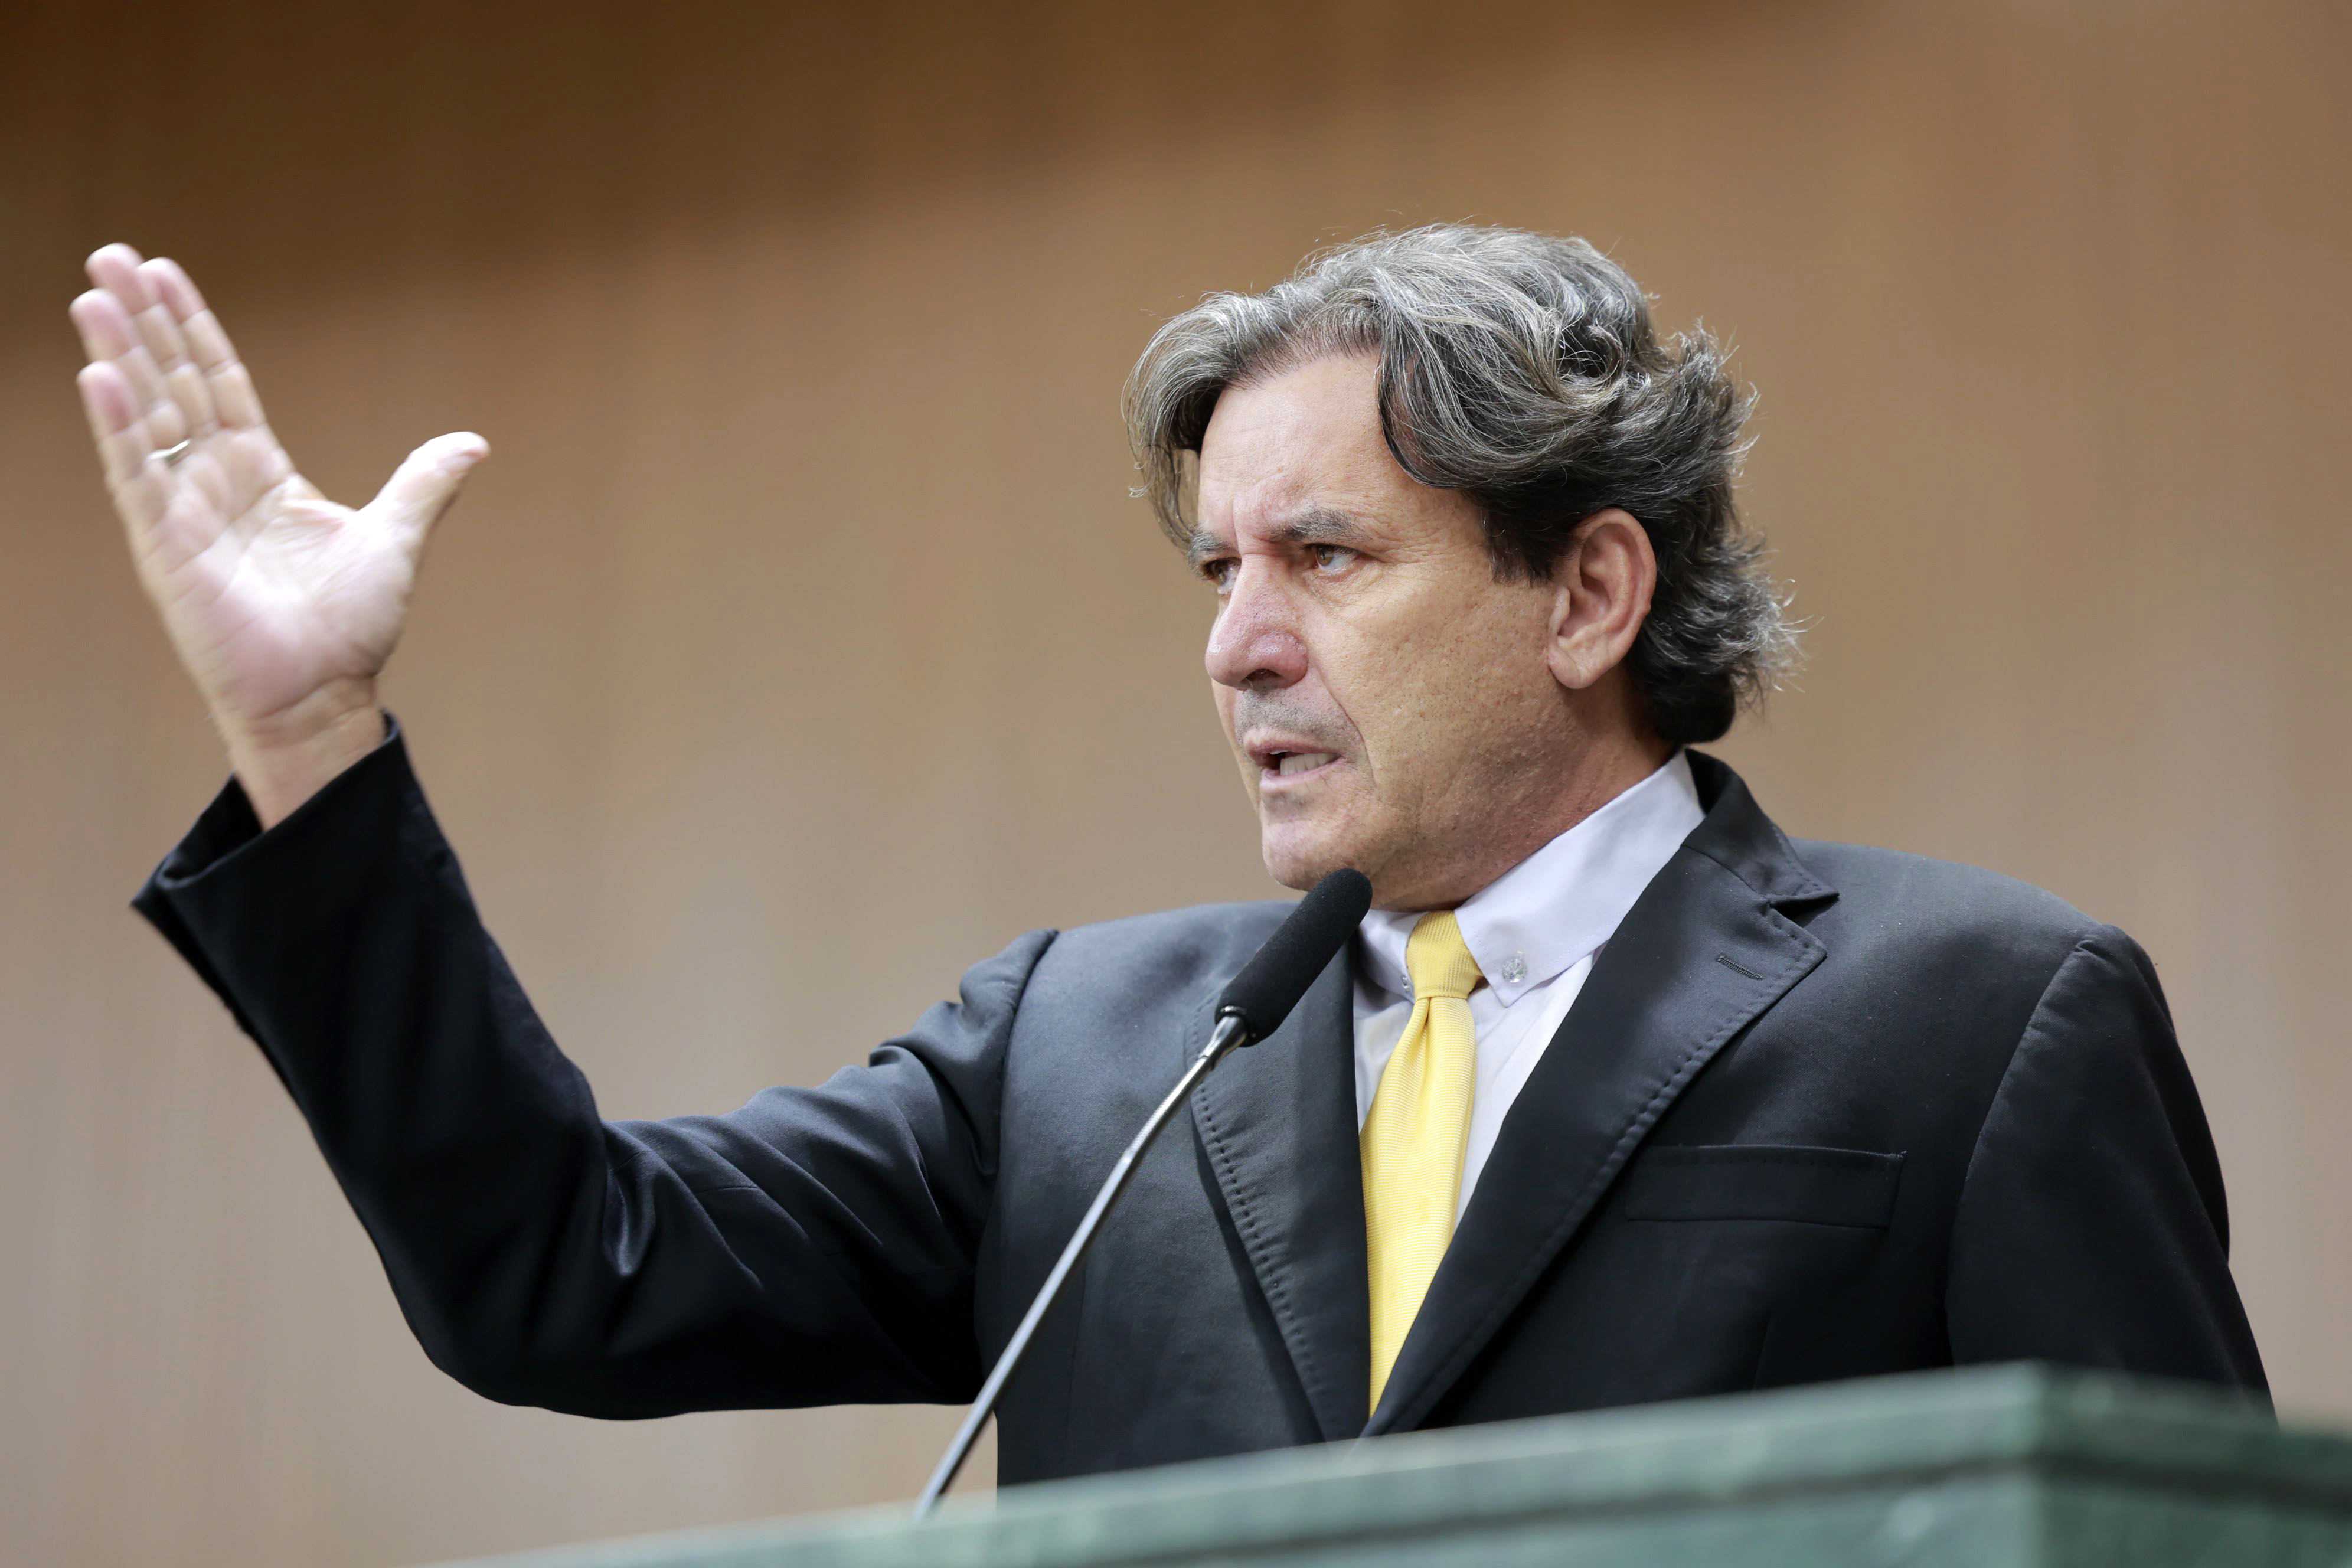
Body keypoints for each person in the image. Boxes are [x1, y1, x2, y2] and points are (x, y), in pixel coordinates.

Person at [73, 225, 2265, 1487]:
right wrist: (311, 744)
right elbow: (567, 1263)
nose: (1237, 646)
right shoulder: (1085, 1053)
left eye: (1327, 557)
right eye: (1219, 568)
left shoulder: (1977, 1020)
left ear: (1591, 593)